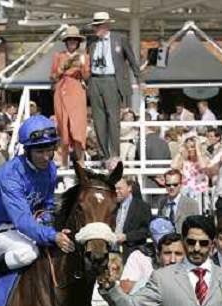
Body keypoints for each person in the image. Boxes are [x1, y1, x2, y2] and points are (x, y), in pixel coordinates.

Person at [0, 115, 76, 306]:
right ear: (27, 150)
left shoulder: (50, 168)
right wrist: (52, 236)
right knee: (28, 253)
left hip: (23, 228)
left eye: (49, 150)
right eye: (40, 151)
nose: (46, 156)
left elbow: (47, 204)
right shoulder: (10, 175)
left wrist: (53, 228)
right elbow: (23, 221)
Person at [86, 11, 144, 161]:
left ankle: (114, 154)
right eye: (95, 26)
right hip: (95, 80)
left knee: (113, 118)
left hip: (111, 80)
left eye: (98, 26)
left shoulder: (120, 39)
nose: (96, 29)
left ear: (106, 25)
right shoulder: (91, 42)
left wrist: (139, 78)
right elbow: (86, 63)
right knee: (98, 120)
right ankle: (103, 154)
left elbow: (132, 59)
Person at [50, 25, 91, 168]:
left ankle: (81, 162)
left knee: (78, 127)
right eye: (70, 39)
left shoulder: (84, 56)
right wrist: (63, 68)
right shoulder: (59, 56)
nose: (72, 42)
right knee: (63, 127)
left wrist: (83, 66)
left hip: (77, 90)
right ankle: (64, 162)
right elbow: (53, 77)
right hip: (62, 90)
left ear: (78, 41)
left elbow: (86, 77)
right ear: (66, 41)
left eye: (75, 39)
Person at [113, 176, 152, 263]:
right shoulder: (112, 206)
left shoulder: (142, 207)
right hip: (113, 254)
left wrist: (126, 237)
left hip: (132, 254)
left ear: (129, 188)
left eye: (119, 188)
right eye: (114, 189)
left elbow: (146, 231)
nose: (116, 191)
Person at [157, 168, 200, 233]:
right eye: (168, 185)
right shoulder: (162, 203)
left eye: (175, 184)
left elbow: (196, 228)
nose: (171, 187)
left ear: (180, 184)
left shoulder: (192, 204)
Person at [171, 135, 210, 203]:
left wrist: (197, 150)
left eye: (192, 147)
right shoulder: (184, 160)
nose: (189, 149)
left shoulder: (204, 158)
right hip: (186, 194)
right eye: (187, 147)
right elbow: (173, 166)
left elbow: (203, 166)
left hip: (200, 195)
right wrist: (179, 152)